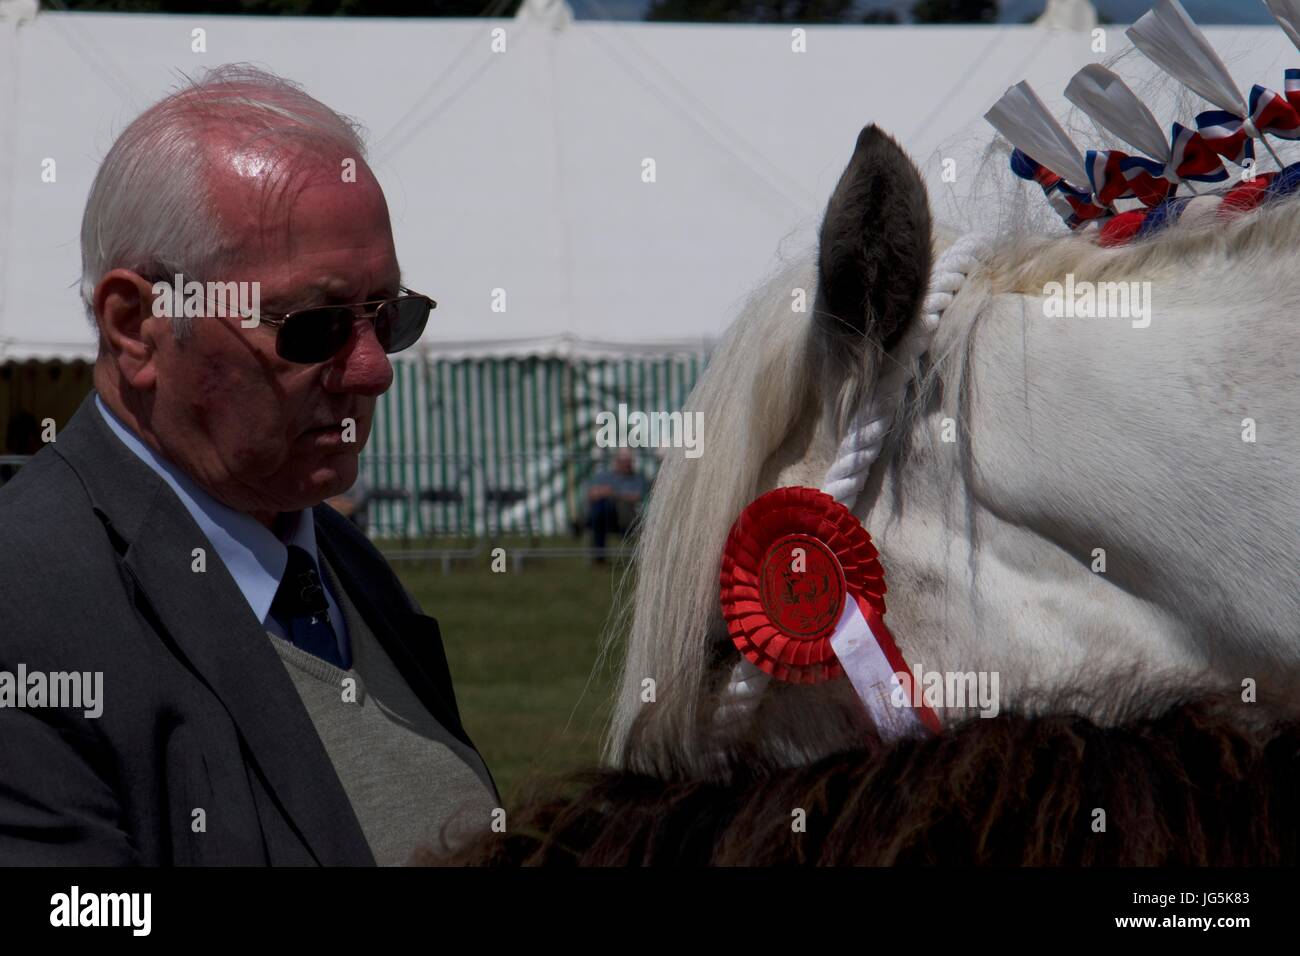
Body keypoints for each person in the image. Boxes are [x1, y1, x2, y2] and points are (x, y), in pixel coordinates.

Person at [0, 65, 497, 865]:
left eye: (390, 317)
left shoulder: (345, 567)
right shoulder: (25, 612)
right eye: (315, 325)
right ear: (136, 325)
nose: (375, 370)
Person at [585, 448, 646, 562]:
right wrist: (606, 493)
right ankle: (599, 555)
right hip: (604, 515)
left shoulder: (637, 478)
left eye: (629, 461)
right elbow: (591, 493)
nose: (626, 464)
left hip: (625, 516)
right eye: (623, 461)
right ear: (616, 461)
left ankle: (599, 555)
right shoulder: (603, 475)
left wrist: (613, 494)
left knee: (602, 508)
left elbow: (637, 496)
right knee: (600, 507)